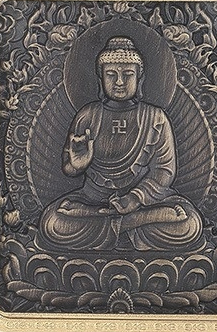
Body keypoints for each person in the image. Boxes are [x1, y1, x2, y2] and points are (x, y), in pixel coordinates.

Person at [37, 36, 204, 252]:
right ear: (101, 78)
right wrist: (77, 165)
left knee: (190, 224)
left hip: (145, 202)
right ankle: (130, 223)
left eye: (128, 74)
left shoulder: (155, 118)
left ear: (139, 78)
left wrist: (135, 198)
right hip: (93, 198)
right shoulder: (88, 116)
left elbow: (164, 170)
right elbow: (69, 168)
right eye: (111, 74)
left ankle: (114, 222)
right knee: (52, 223)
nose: (119, 82)